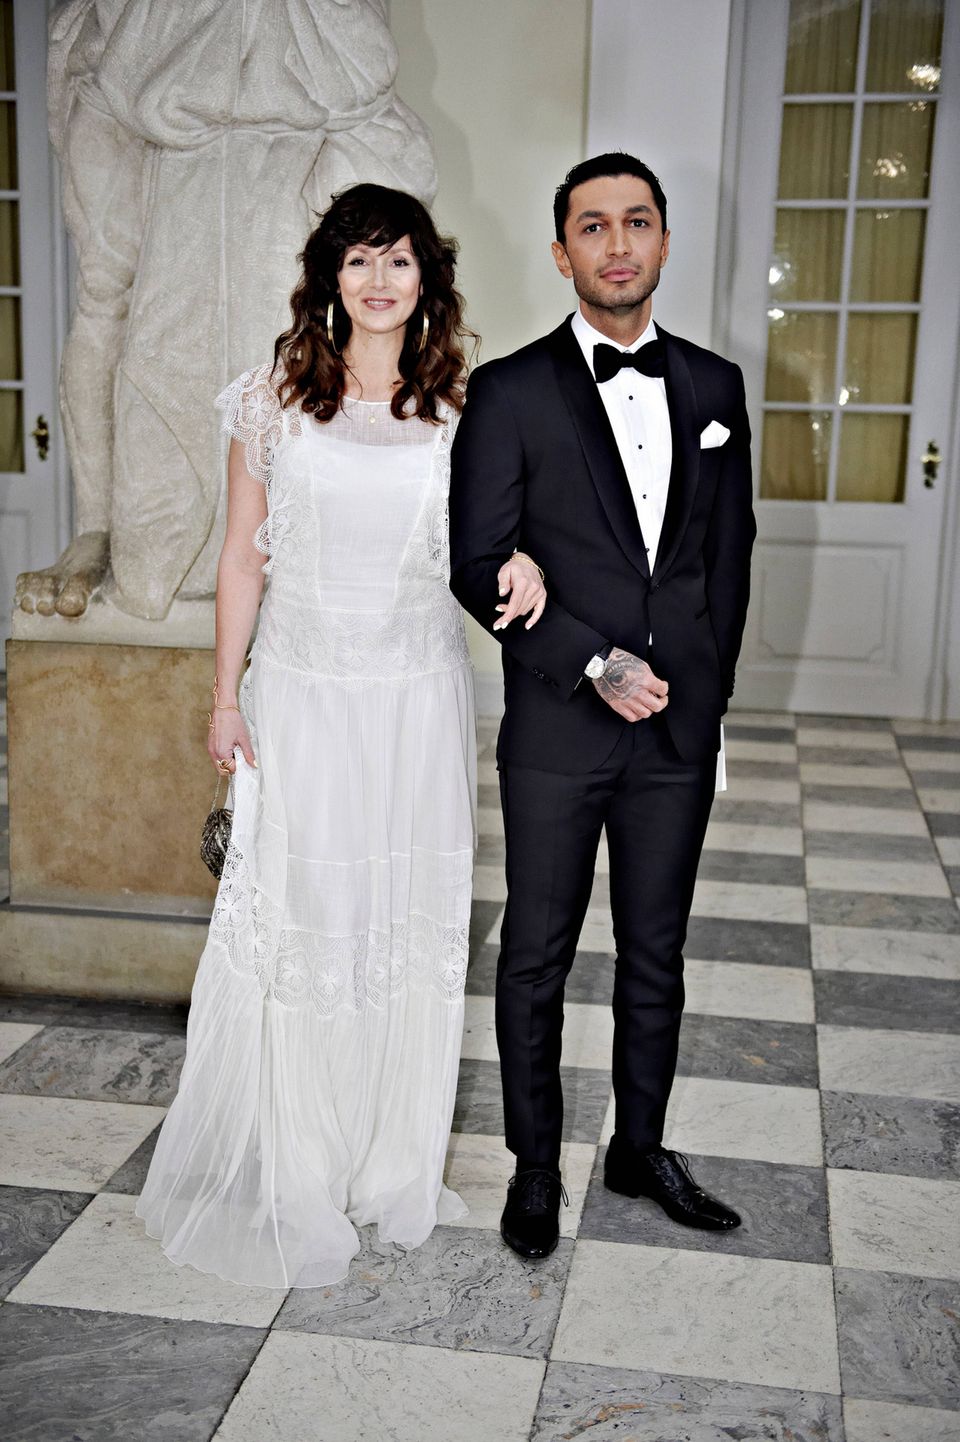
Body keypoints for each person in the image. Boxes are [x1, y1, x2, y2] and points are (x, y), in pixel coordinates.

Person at [137, 183, 546, 1288]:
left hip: (416, 694)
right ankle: (305, 1160)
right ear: (329, 276)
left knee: (404, 917)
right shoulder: (270, 398)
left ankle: (391, 1161)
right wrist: (224, 696)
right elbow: (241, 557)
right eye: (359, 259)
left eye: (398, 259)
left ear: (427, 280)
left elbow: (496, 538)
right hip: (303, 693)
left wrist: (523, 558)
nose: (378, 280)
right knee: (309, 916)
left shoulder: (466, 404)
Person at [449, 153, 756, 1260]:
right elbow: (476, 563)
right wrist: (593, 664)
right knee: (536, 952)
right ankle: (535, 1167)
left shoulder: (716, 387)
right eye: (593, 225)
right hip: (558, 725)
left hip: (677, 730)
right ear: (561, 251)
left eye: (636, 222)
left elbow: (730, 558)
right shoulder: (510, 390)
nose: (617, 244)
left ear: (664, 240)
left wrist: (705, 698)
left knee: (656, 953)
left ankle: (640, 1147)